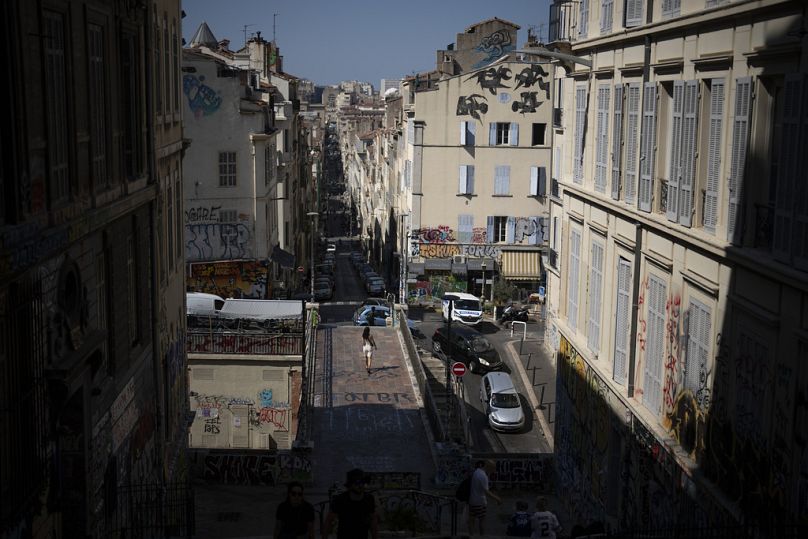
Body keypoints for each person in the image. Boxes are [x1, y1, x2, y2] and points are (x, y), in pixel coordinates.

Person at [322, 468, 378, 539]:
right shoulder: (341, 499)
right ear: (350, 485)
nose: (360, 485)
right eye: (357, 483)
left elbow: (373, 520)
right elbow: (329, 520)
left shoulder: (369, 499)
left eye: (362, 482)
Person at [468, 459, 501, 537]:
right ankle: (482, 536)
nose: (494, 470)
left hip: (472, 500)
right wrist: (497, 498)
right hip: (480, 502)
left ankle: (471, 536)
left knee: (472, 520)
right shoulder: (483, 476)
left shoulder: (476, 472)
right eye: (493, 468)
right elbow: (486, 492)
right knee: (482, 521)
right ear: (489, 467)